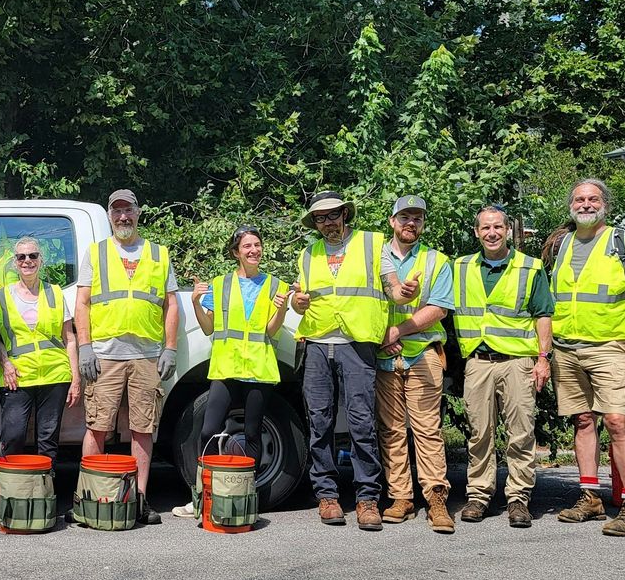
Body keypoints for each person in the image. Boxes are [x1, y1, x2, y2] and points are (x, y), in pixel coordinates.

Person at [549, 178, 625, 536]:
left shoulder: (623, 242)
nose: (586, 204)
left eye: (593, 198)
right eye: (579, 199)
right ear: (570, 205)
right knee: (582, 421)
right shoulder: (562, 244)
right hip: (567, 348)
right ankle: (590, 496)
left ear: (604, 203)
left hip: (609, 346)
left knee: (617, 422)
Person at [76, 190, 178, 525]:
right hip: (105, 354)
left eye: (128, 210)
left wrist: (171, 346)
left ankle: (139, 500)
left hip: (147, 355)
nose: (123, 217)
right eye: (117, 211)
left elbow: (171, 304)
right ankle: (89, 498)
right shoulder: (97, 252)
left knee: (142, 428)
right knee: (97, 427)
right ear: (109, 215)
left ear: (138, 213)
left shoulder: (159, 254)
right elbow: (83, 303)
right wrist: (85, 347)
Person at [291, 190, 388, 530]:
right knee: (319, 422)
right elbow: (300, 297)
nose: (328, 222)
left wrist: (403, 291)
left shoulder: (374, 244)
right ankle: (327, 495)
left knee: (362, 423)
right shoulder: (308, 253)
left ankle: (367, 499)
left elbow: (390, 285)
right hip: (318, 343)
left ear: (345, 214)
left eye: (333, 214)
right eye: (320, 217)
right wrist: (296, 303)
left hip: (357, 343)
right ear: (314, 222)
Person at [453, 205, 554, 528]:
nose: (492, 233)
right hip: (478, 363)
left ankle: (518, 498)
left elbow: (543, 315)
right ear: (476, 232)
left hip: (517, 363)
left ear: (508, 230)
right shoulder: (461, 267)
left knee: (521, 433)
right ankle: (479, 495)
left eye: (498, 227)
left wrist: (543, 359)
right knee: (479, 434)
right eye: (485, 228)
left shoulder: (529, 267)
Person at [374, 196, 455, 533]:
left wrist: (397, 330)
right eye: (404, 217)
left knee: (427, 429)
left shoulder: (436, 260)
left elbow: (438, 309)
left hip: (422, 352)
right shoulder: (374, 256)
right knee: (391, 429)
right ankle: (401, 497)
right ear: (392, 221)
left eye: (417, 219)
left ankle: (436, 498)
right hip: (384, 355)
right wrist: (383, 335)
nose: (411, 223)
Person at [190, 225, 289, 462]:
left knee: (252, 433)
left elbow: (270, 330)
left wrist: (283, 307)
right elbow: (207, 328)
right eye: (247, 246)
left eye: (257, 245)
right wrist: (195, 302)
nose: (254, 250)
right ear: (236, 252)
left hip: (258, 369)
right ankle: (209, 486)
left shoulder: (277, 286)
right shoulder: (220, 284)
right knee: (208, 431)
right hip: (227, 368)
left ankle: (248, 491)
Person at [0, 237, 80, 461]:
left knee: (48, 439)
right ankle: (10, 491)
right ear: (15, 262)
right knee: (13, 435)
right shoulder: (0, 296)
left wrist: (75, 379)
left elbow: (69, 338)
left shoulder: (55, 292)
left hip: (55, 373)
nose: (27, 261)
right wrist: (5, 363)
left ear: (41, 260)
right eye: (21, 257)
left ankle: (44, 489)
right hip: (18, 375)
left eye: (33, 256)